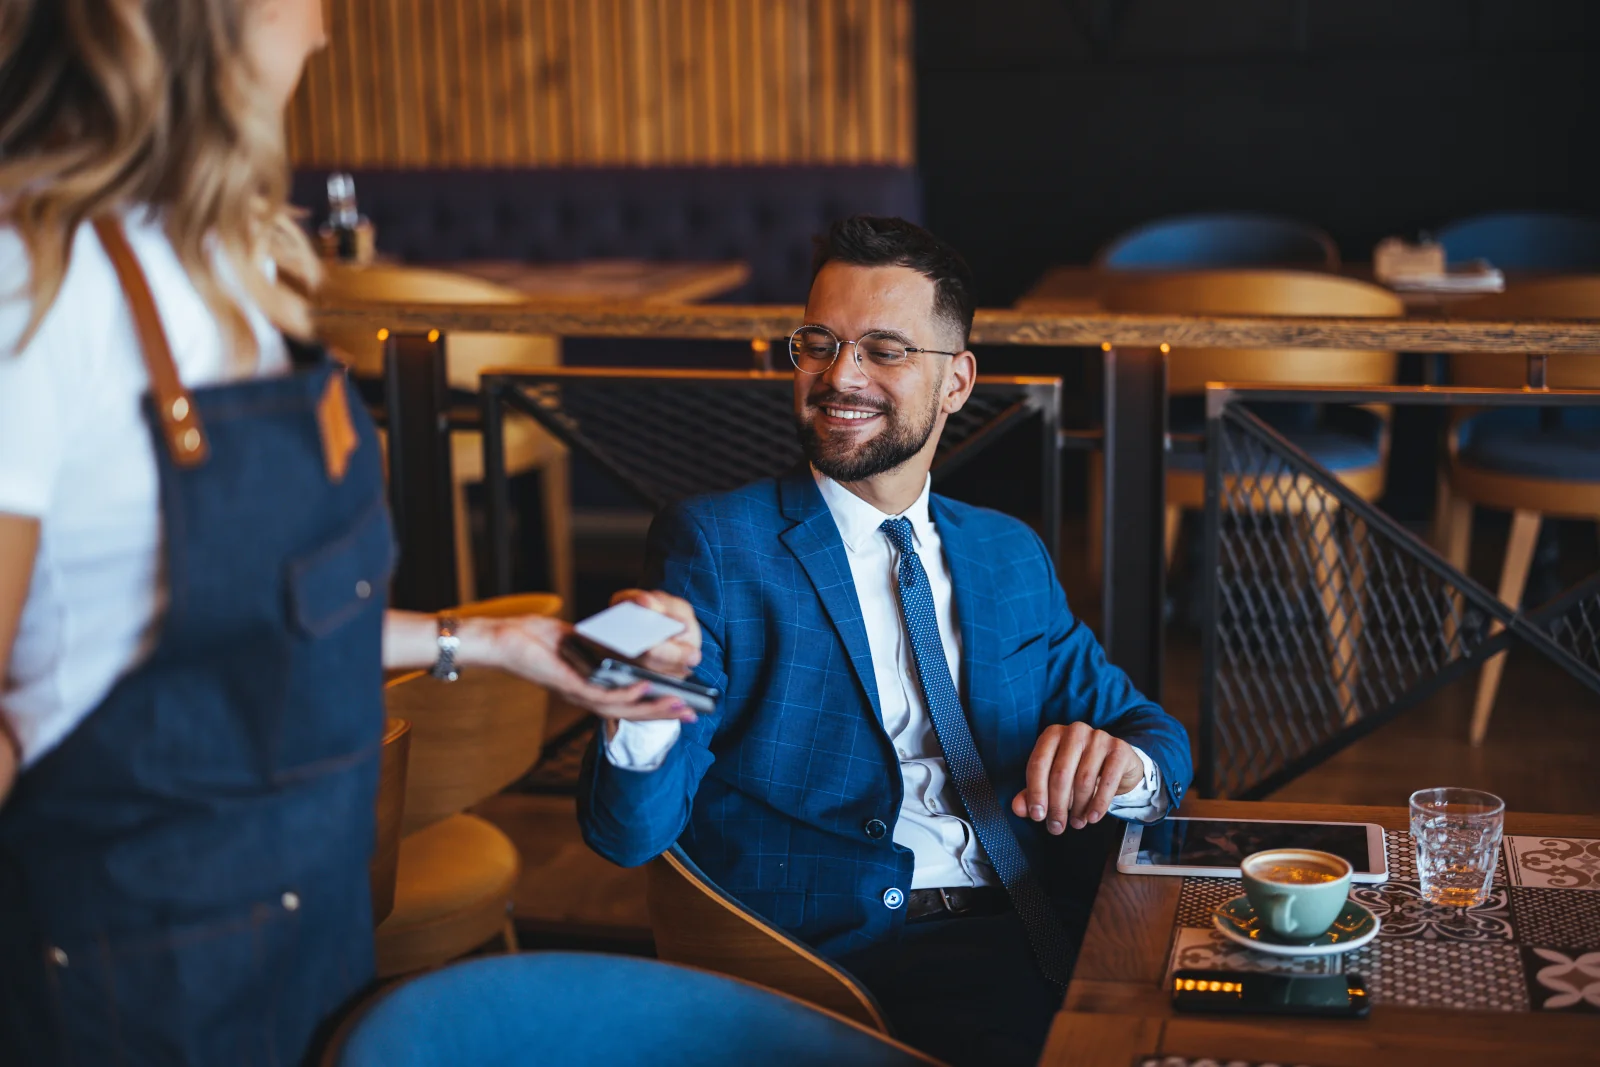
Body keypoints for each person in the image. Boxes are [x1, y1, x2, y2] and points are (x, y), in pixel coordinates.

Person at [0, 3, 700, 1064]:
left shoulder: (238, 262)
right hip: (141, 951)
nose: (324, 33)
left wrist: (493, 642)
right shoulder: (28, 279)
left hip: (314, 909)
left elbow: (258, 617)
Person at [579, 216, 1192, 1067]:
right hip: (839, 958)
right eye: (818, 343)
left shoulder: (1006, 551)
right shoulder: (717, 546)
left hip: (1047, 921)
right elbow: (628, 833)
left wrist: (1124, 768)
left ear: (957, 381)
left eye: (885, 349)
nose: (841, 376)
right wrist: (638, 702)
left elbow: (1153, 732)